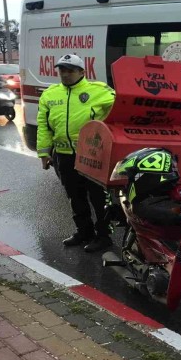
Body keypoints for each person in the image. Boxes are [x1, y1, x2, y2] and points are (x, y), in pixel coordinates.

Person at [36, 54, 116, 253]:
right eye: (62, 70)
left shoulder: (100, 91)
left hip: (93, 155)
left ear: (82, 72)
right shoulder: (50, 94)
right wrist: (44, 153)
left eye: (70, 70)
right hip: (63, 155)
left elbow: (122, 111)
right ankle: (84, 232)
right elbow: (44, 126)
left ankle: (104, 237)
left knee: (99, 199)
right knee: (75, 196)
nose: (65, 74)